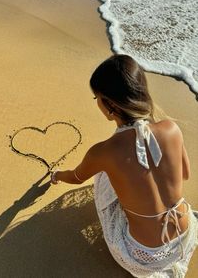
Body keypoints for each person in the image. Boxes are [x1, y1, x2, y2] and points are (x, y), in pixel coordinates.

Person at [50, 54, 198, 277]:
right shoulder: (171, 128)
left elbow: (77, 177)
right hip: (185, 234)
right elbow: (184, 174)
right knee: (128, 171)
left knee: (105, 173)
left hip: (145, 254)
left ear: (109, 105)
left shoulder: (104, 151)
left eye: (97, 98)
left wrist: (57, 175)